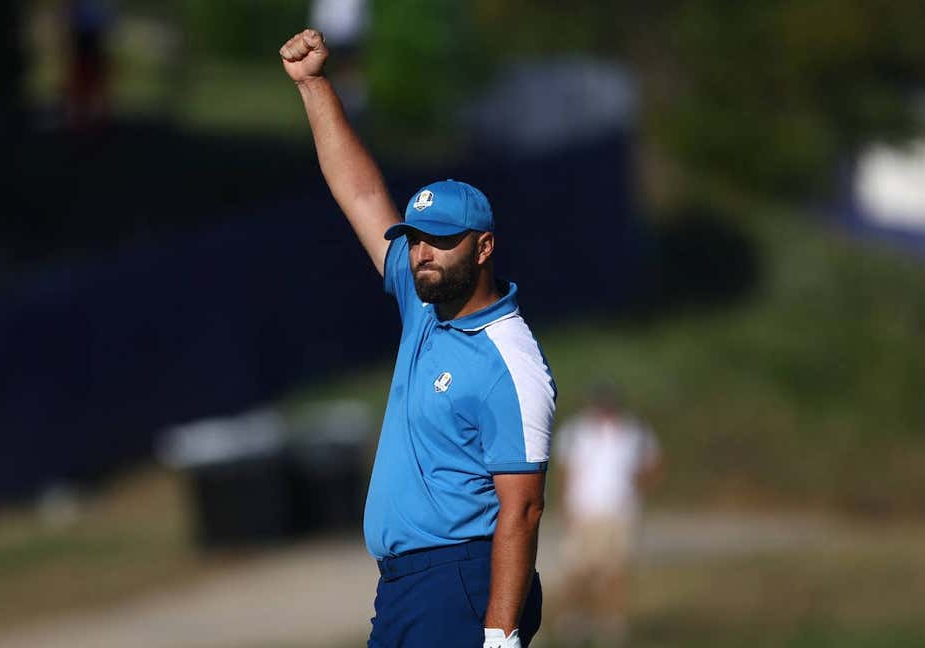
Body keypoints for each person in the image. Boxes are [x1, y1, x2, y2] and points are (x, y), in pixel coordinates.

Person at [279, 29, 557, 648]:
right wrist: (314, 85)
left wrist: (501, 635)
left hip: (460, 581)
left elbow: (524, 509)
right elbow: (359, 191)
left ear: (484, 246)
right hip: (406, 585)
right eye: (415, 238)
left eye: (440, 239)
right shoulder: (423, 299)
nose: (422, 253)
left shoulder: (509, 362)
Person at [554, 383, 662, 646]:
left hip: (621, 511)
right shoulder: (576, 432)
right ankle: (574, 622)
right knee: (579, 571)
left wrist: (639, 490)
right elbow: (565, 471)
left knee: (616, 571)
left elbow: (653, 463)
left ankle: (611, 626)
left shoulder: (634, 432)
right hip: (584, 510)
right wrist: (566, 508)